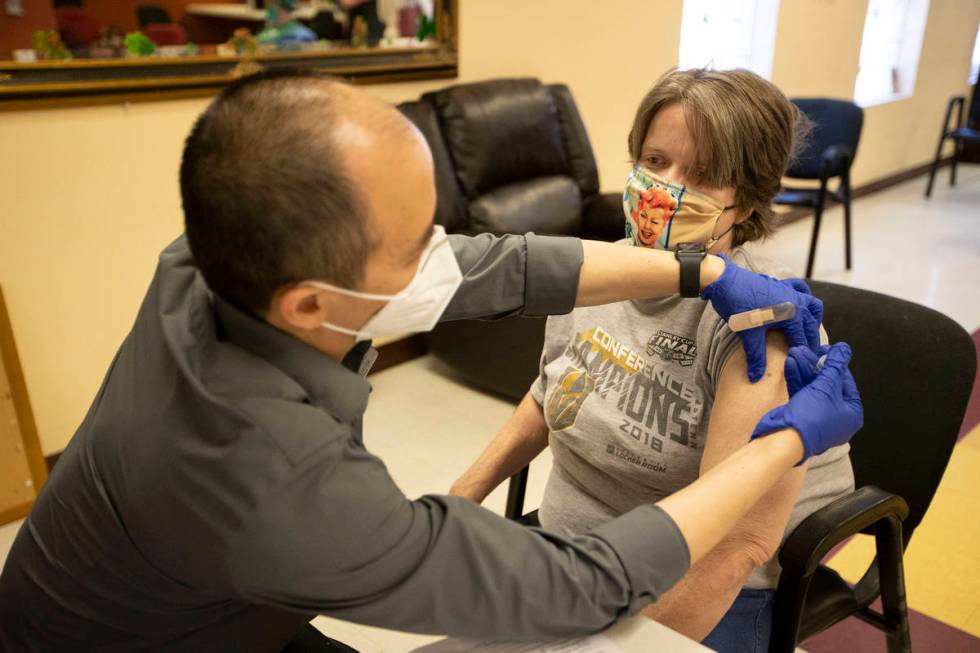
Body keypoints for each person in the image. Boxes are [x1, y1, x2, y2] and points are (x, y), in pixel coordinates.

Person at [0, 69, 862, 653]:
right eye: (418, 245)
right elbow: (572, 585)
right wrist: (789, 441)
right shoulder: (288, 485)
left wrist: (697, 267)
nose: (445, 260)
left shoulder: (208, 255)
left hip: (124, 592)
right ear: (313, 302)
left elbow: (743, 541)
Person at [449, 68, 853, 653]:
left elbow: (731, 542)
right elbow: (550, 393)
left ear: (749, 201)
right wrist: (462, 496)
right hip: (571, 555)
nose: (665, 187)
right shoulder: (597, 273)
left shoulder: (761, 327)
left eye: (706, 174)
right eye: (655, 160)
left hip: (690, 587)